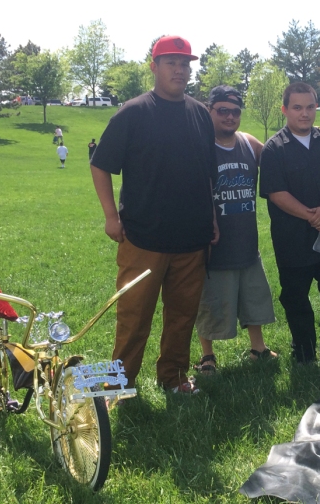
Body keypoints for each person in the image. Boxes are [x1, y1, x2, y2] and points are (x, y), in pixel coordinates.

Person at [90, 35, 218, 395]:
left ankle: (174, 377)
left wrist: (212, 219)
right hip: (143, 237)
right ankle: (120, 385)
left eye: (185, 64)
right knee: (133, 318)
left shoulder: (199, 114)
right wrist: (110, 216)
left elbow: (208, 174)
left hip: (192, 240)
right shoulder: (133, 112)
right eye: (171, 63)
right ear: (154, 67)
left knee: (181, 317)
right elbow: (100, 165)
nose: (180, 69)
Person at [259, 82, 320, 364]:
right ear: (285, 109)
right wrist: (316, 217)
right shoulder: (274, 149)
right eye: (297, 107)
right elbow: (277, 194)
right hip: (293, 241)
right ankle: (304, 353)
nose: (304, 113)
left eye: (310, 107)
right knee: (296, 300)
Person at [194, 86, 277, 374]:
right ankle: (207, 355)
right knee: (210, 299)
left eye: (235, 111)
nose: (230, 117)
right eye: (223, 111)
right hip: (213, 243)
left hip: (246, 239)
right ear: (210, 111)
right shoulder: (201, 146)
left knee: (253, 295)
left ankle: (259, 348)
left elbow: (280, 159)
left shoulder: (249, 143)